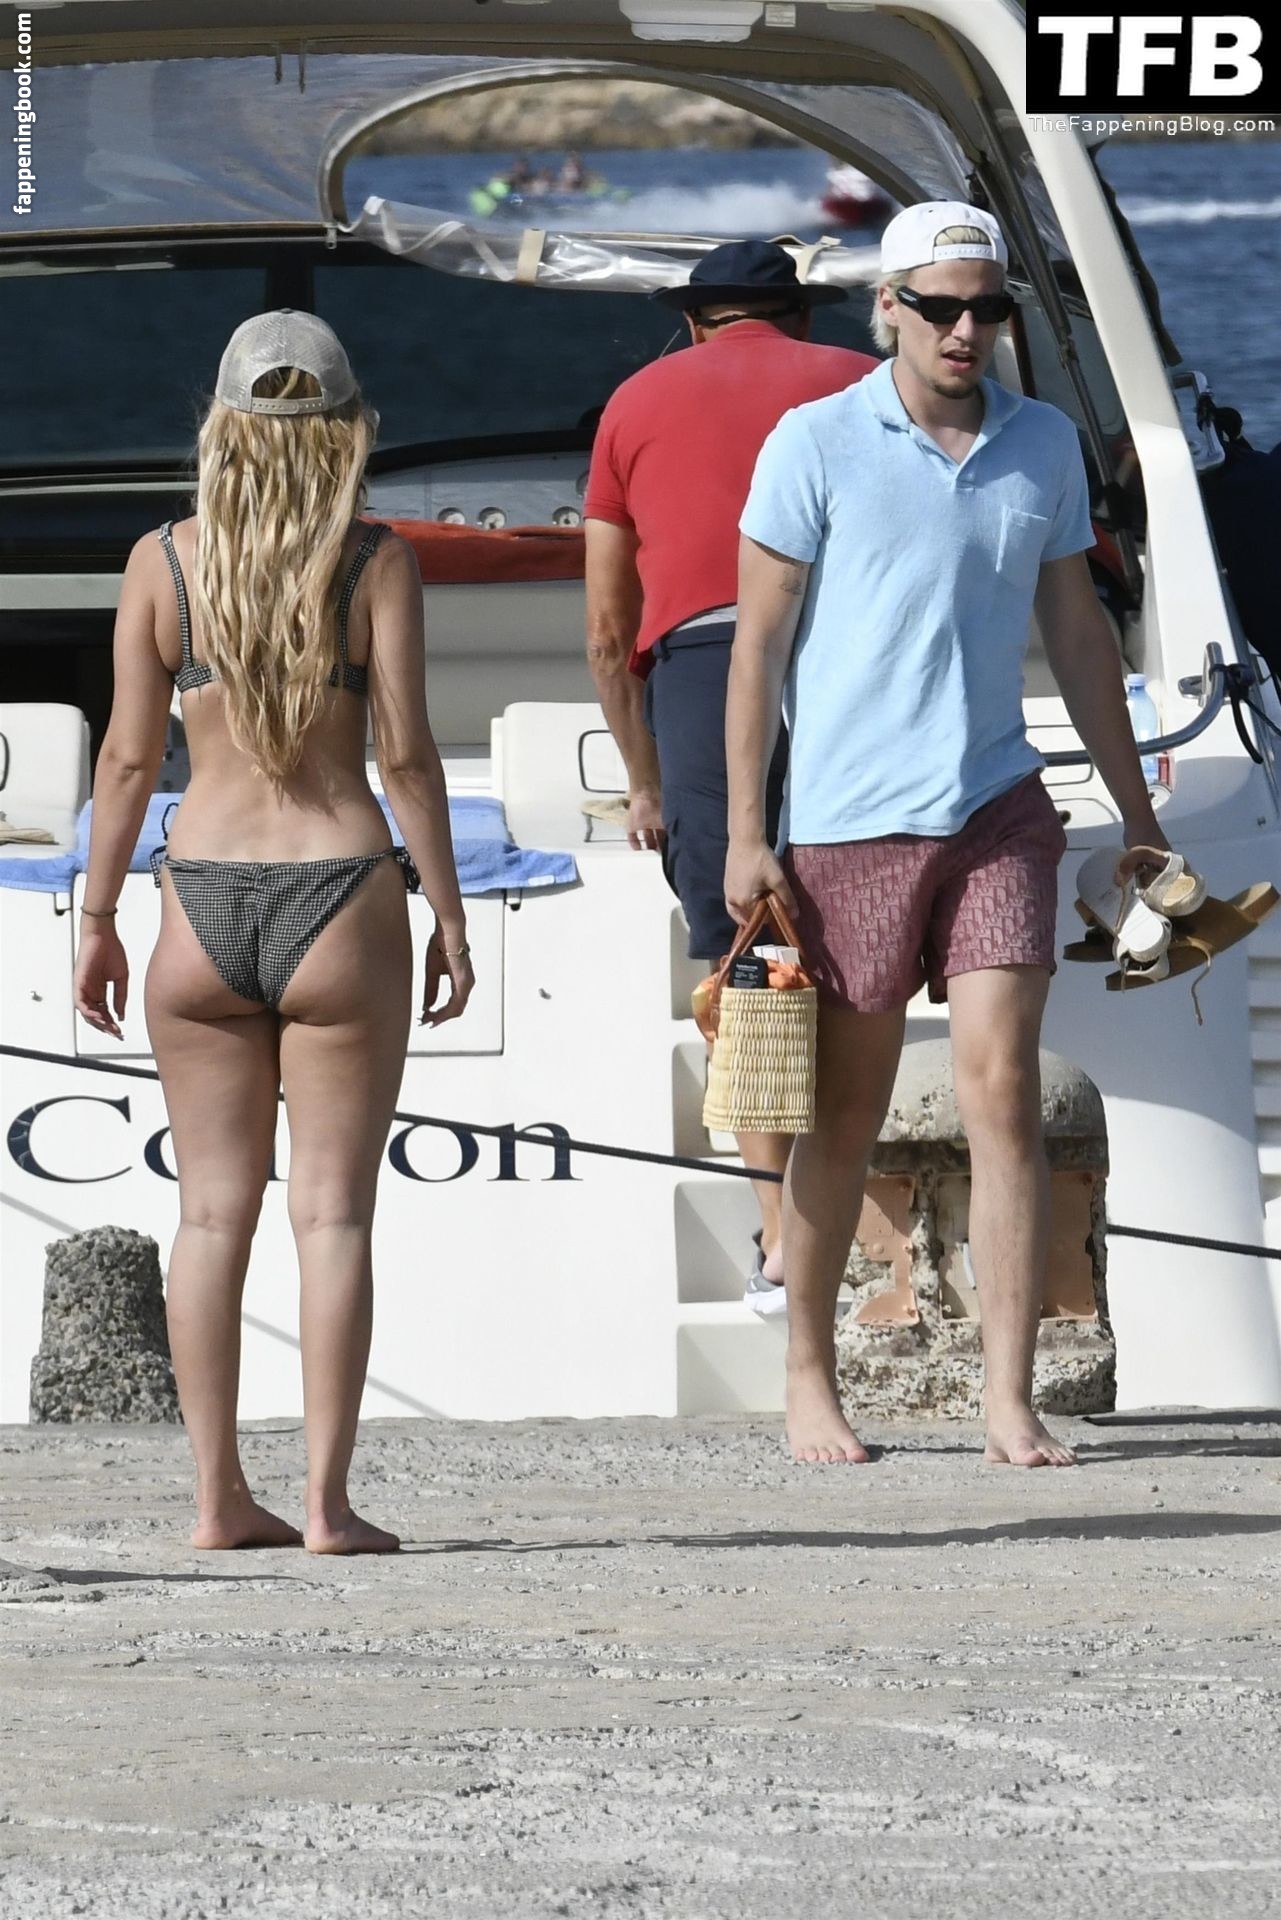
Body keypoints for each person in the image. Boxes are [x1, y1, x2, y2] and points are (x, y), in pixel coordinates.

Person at [726, 203, 1171, 1465]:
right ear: (889, 310)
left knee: (1005, 1093)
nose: (965, 330)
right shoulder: (815, 441)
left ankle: (1008, 1396)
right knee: (845, 1112)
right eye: (939, 308)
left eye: (987, 308)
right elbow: (756, 649)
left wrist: (1137, 814)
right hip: (849, 824)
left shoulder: (1043, 444)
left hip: (998, 809)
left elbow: (1076, 633)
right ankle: (808, 1377)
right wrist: (747, 831)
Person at [73, 310, 473, 1552]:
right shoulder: (376, 561)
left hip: (198, 894)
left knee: (208, 1217)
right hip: (339, 888)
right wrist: (450, 914)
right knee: (333, 1215)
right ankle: (325, 1504)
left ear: (222, 428)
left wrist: (96, 915)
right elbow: (407, 758)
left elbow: (127, 761)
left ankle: (214, 1501)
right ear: (348, 430)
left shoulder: (164, 561)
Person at [584, 240, 877, 1312]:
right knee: (862, 928)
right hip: (851, 654)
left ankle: (779, 1237)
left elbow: (607, 631)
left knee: (748, 950)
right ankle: (861, 1217)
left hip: (706, 666)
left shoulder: (634, 401)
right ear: (797, 317)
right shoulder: (860, 381)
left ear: (695, 320)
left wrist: (645, 779)